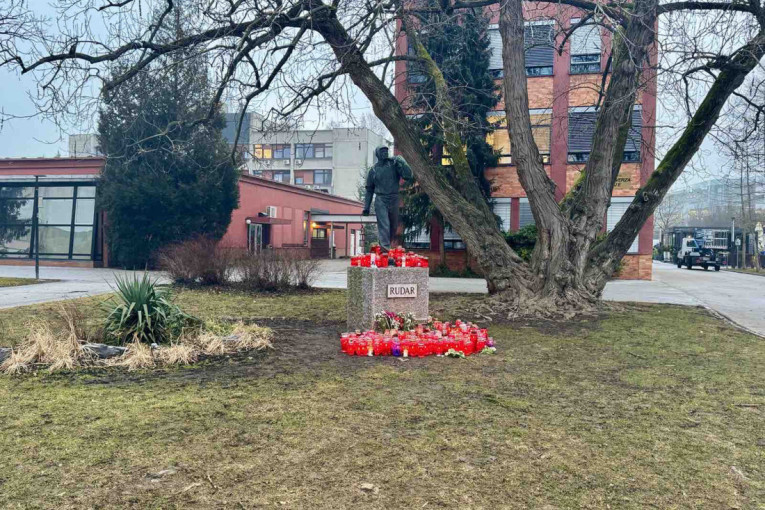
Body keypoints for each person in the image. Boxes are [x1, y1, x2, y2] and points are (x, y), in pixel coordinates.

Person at [362, 146, 413, 251]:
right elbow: (369, 190)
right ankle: (385, 249)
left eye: (386, 151)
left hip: (394, 198)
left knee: (393, 226)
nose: (385, 153)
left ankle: (386, 246)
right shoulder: (373, 170)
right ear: (377, 154)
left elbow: (408, 176)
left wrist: (403, 162)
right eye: (382, 151)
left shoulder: (394, 165)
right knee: (384, 224)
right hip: (381, 199)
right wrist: (366, 207)